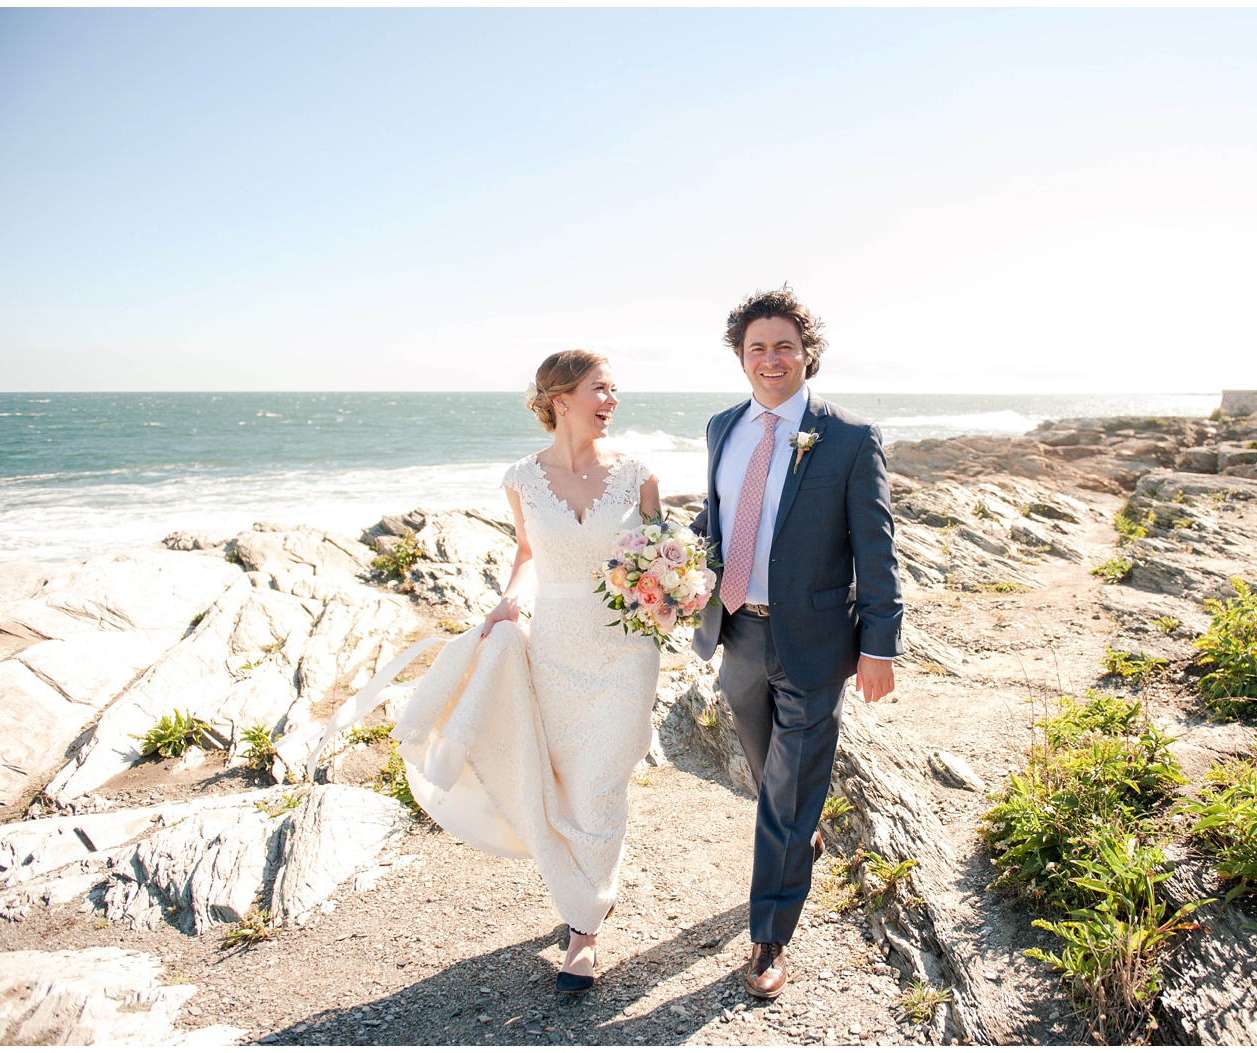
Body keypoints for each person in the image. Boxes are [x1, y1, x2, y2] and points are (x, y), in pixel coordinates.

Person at [312, 349, 661, 995]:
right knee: (564, 778)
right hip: (555, 645)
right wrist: (511, 600)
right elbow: (528, 553)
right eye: (599, 388)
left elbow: (660, 552)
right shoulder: (520, 478)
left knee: (602, 780)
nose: (611, 400)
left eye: (614, 388)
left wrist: (672, 589)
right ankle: (589, 892)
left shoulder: (638, 473)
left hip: (625, 647)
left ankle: (583, 928)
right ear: (561, 398)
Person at [692, 288, 904, 1000]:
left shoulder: (847, 436)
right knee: (768, 772)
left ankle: (769, 938)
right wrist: (669, 571)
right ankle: (799, 829)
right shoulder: (723, 427)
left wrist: (881, 644)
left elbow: (877, 549)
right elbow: (716, 521)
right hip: (739, 635)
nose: (771, 359)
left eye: (784, 345)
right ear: (741, 358)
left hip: (814, 639)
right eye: (757, 347)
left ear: (808, 353)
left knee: (784, 791)